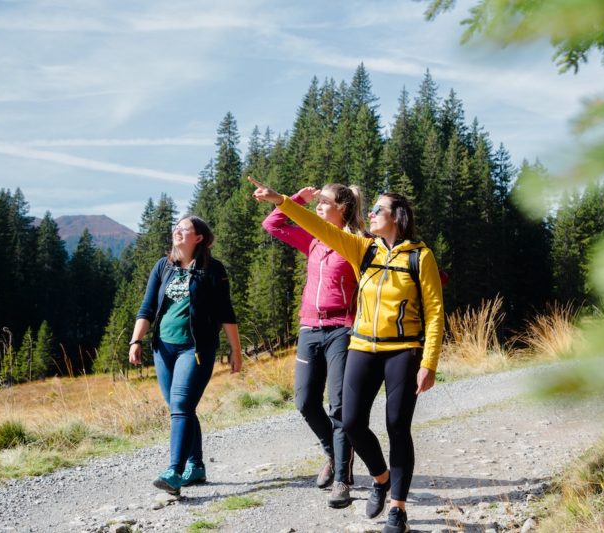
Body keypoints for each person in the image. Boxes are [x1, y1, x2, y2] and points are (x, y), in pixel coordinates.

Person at [249, 177, 444, 533]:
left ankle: (397, 509)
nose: (369, 213)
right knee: (351, 422)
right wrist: (281, 199)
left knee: (397, 427)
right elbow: (315, 225)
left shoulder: (421, 256)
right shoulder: (362, 249)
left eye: (377, 210)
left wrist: (428, 362)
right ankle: (381, 478)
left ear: (396, 217)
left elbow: (434, 311)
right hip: (361, 347)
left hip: (403, 351)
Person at [261, 184, 363, 508]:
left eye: (324, 202)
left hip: (341, 330)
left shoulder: (356, 243)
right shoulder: (314, 240)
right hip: (309, 328)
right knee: (305, 401)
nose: (318, 206)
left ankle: (343, 481)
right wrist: (298, 200)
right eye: (316, 203)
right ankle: (334, 455)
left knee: (338, 406)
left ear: (343, 208)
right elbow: (272, 225)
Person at [128, 215, 242, 496]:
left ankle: (174, 472)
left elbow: (226, 313)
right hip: (163, 349)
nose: (177, 232)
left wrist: (236, 352)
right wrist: (136, 340)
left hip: (196, 349)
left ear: (198, 238)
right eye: (175, 228)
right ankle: (196, 465)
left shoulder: (212, 270)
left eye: (184, 229)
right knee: (182, 408)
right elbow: (146, 308)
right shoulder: (163, 266)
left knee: (180, 405)